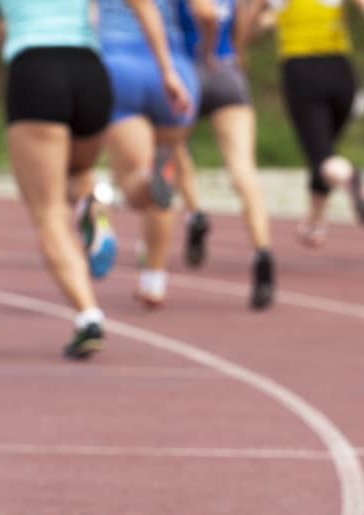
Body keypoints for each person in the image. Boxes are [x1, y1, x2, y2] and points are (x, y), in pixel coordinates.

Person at [0, 0, 190, 358]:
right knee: (79, 173)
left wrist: (1, 34)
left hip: (35, 70)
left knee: (48, 210)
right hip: (89, 71)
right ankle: (116, 194)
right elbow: (142, 6)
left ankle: (88, 316)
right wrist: (167, 71)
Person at [238, 0, 364, 249]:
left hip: (302, 71)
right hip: (342, 72)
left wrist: (240, 49)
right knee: (324, 153)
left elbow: (245, 28)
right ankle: (315, 223)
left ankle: (350, 178)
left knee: (322, 157)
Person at [97, 0, 204, 310]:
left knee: (134, 186)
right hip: (176, 65)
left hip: (119, 64)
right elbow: (206, 12)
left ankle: (142, 181)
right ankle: (154, 279)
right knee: (164, 171)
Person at [173, 0, 275, 309]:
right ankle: (262, 253)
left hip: (187, 68)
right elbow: (244, 20)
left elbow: (201, 14)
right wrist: (231, 50)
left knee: (174, 150)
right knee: (243, 170)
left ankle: (194, 213)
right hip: (227, 68)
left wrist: (204, 49)